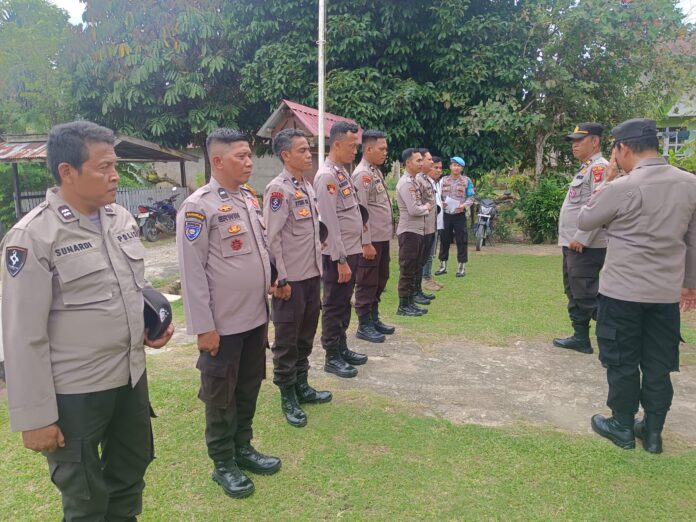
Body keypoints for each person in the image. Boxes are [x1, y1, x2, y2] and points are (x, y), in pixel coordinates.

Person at [1, 120, 175, 521]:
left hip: (129, 377)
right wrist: (35, 417)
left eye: (115, 166)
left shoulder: (121, 219)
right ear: (68, 171)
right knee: (84, 497)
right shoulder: (33, 236)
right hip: (75, 392)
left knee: (129, 475)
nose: (115, 176)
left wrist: (148, 325)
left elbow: (133, 287)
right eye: (104, 167)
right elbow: (21, 334)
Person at [578, 118, 696, 454]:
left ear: (623, 148)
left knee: (622, 360)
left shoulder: (622, 186)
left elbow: (585, 218)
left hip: (622, 292)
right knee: (659, 363)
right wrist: (690, 285)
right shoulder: (690, 183)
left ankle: (622, 425)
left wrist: (608, 180)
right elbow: (693, 240)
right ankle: (653, 433)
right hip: (665, 294)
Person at [177, 128, 281, 499]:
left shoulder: (248, 198)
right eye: (241, 156)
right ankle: (223, 463)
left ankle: (243, 447)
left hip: (255, 317)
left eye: (250, 155)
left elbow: (259, 249)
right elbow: (192, 271)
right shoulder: (198, 206)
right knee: (220, 396)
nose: (249, 162)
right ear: (218, 161)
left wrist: (273, 278)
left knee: (249, 386)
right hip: (222, 325)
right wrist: (204, 327)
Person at [263, 128, 332, 428]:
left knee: (305, 336)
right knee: (286, 340)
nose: (308, 155)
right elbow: (272, 238)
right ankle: (287, 395)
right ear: (285, 155)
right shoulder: (279, 190)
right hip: (290, 281)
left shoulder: (306, 186)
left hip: (311, 275)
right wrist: (281, 279)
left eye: (308, 149)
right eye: (302, 150)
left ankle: (302, 385)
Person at [314, 121, 369, 378]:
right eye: (351, 146)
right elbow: (329, 222)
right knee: (334, 304)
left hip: (351, 249)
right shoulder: (327, 176)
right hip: (338, 255)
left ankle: (341, 347)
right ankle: (331, 356)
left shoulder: (342, 172)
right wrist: (340, 258)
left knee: (344, 303)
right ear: (336, 144)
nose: (355, 151)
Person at [553, 122, 608, 354]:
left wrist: (583, 237)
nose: (574, 145)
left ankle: (620, 336)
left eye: (579, 140)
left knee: (586, 294)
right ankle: (581, 338)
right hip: (572, 243)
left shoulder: (600, 168)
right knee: (574, 292)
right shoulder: (586, 168)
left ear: (595, 141)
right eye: (573, 141)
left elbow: (599, 205)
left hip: (585, 245)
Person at [352, 129, 396, 343]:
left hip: (382, 238)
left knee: (380, 279)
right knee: (367, 282)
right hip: (371, 241)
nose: (385, 152)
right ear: (368, 149)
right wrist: (366, 242)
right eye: (382, 149)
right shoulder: (362, 175)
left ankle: (373, 317)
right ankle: (364, 324)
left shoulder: (375, 171)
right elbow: (360, 211)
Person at [395, 148, 433, 316]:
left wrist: (423, 207)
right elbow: (414, 209)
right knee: (407, 269)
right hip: (409, 231)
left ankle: (410, 302)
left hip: (417, 231)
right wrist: (426, 207)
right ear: (408, 163)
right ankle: (403, 305)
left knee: (415, 267)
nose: (421, 163)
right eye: (418, 160)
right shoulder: (406, 183)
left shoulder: (414, 181)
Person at [436, 156, 475, 277]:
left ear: (462, 168)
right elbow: (437, 195)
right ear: (450, 166)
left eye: (459, 166)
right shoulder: (443, 180)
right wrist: (440, 202)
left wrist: (464, 206)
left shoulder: (466, 181)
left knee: (461, 240)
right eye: (454, 165)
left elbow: (471, 197)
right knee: (444, 239)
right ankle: (442, 266)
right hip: (446, 214)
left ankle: (461, 267)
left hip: (459, 214)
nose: (456, 168)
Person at [415, 149, 440, 298]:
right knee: (419, 259)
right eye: (429, 159)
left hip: (431, 224)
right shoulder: (417, 179)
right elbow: (417, 205)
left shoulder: (426, 179)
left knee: (427, 256)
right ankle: (418, 287)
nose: (432, 162)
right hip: (422, 225)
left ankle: (421, 286)